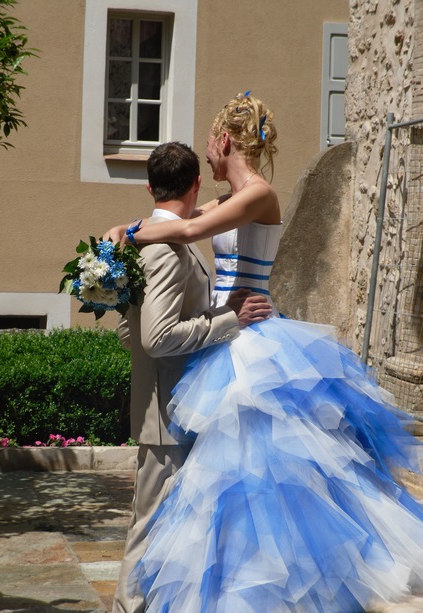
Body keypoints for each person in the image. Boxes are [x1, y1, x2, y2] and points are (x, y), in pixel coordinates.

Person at [106, 93, 423, 612]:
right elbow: (182, 218)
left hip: (253, 334)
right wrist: (121, 232)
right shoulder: (231, 197)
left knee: (265, 474)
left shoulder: (258, 193)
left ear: (225, 140)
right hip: (227, 334)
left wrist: (128, 235)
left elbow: (185, 228)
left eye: (210, 144)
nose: (207, 156)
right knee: (220, 480)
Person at [104, 141, 271, 613]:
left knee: (167, 525)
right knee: (150, 527)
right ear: (196, 183)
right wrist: (227, 320)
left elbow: (128, 333)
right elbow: (156, 339)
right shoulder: (165, 250)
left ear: (149, 185)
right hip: (168, 413)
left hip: (171, 406)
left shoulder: (146, 239)